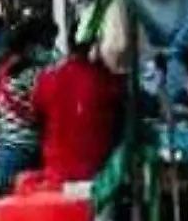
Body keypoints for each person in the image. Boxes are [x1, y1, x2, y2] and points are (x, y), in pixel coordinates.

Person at [32, 37, 123, 183]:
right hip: (97, 172)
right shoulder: (105, 79)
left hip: (56, 171)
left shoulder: (48, 77)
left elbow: (37, 118)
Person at [0, 16, 58, 188]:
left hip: (8, 151)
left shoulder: (6, 69)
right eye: (48, 43)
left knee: (11, 207)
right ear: (33, 44)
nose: (51, 48)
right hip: (32, 151)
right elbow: (48, 108)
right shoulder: (35, 73)